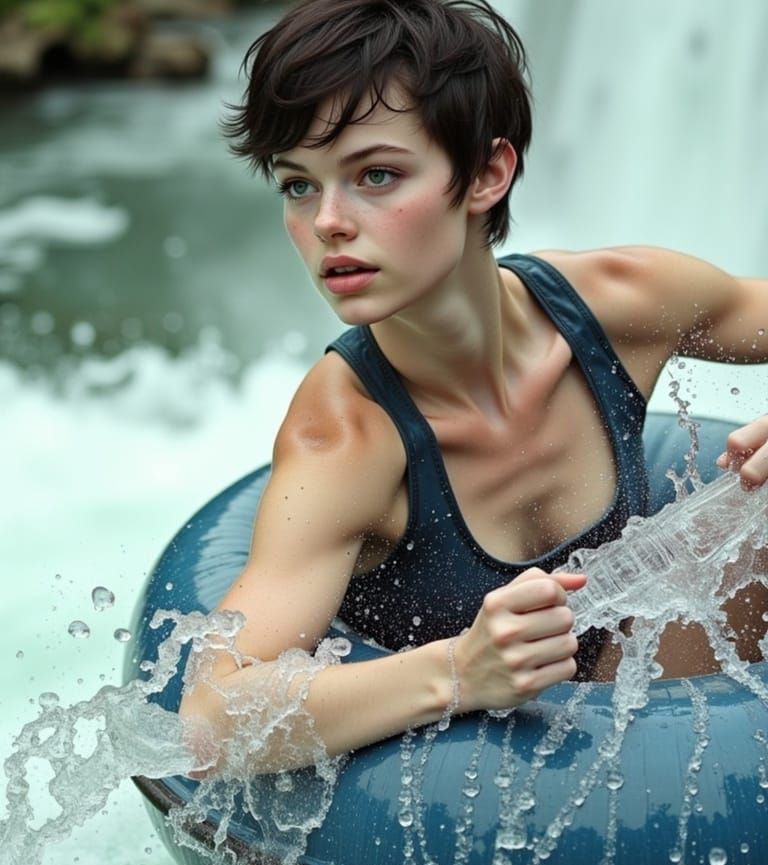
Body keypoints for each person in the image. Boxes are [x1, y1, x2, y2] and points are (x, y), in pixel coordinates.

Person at [179, 0, 768, 772]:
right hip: (467, 786)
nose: (327, 222)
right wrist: (459, 671)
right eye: (297, 185)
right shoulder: (347, 441)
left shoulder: (620, 305)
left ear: (488, 173)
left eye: (375, 175)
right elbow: (210, 720)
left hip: (648, 701)